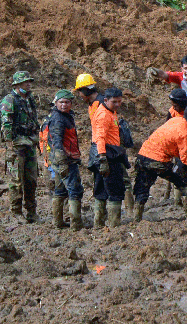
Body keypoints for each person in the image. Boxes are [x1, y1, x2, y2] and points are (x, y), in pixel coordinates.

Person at [133, 104, 187, 222]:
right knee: (184, 183)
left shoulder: (175, 120)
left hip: (143, 156)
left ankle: (136, 219)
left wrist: (181, 154)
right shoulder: (185, 132)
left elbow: (167, 141)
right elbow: (185, 158)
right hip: (159, 161)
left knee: (142, 188)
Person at [74, 72, 136, 214]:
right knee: (103, 183)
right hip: (103, 146)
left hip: (109, 147)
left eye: (79, 92)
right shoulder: (95, 104)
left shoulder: (102, 105)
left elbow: (104, 131)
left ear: (85, 91)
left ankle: (130, 210)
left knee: (121, 179)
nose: (79, 96)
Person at [0, 71, 41, 222]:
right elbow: (6, 124)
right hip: (16, 145)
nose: (28, 84)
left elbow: (34, 120)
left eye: (29, 81)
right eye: (25, 82)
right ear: (17, 85)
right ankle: (16, 212)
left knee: (31, 179)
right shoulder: (9, 100)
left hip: (30, 143)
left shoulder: (29, 100)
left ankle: (31, 211)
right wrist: (10, 146)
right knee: (16, 181)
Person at [88, 87, 129, 228]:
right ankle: (114, 225)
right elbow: (100, 138)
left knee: (100, 189)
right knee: (115, 190)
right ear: (105, 100)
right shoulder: (103, 115)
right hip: (107, 154)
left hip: (106, 152)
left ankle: (98, 224)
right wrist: (103, 158)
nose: (117, 104)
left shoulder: (110, 111)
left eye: (119, 102)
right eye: (114, 102)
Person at [47, 89, 84, 230]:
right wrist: (62, 163)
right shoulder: (58, 119)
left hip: (63, 160)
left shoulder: (66, 116)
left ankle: (57, 222)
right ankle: (76, 224)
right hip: (65, 160)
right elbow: (56, 142)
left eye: (67, 102)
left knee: (60, 190)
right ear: (55, 103)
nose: (64, 105)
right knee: (75, 191)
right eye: (61, 102)